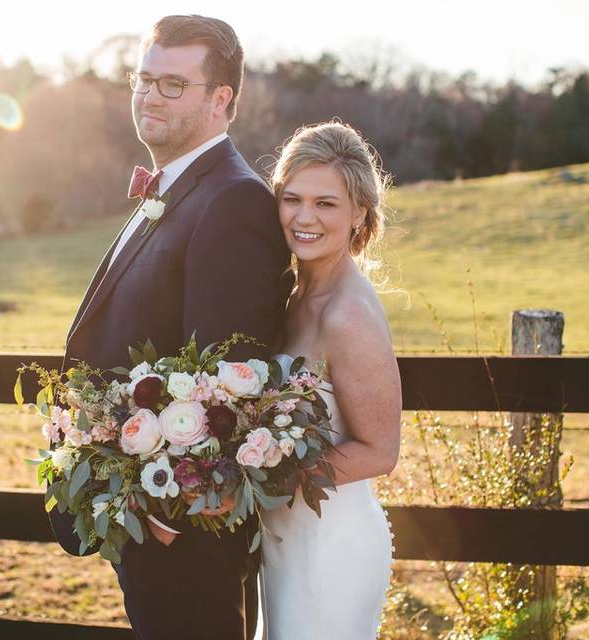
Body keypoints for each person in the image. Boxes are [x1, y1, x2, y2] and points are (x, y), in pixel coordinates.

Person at [51, 14, 291, 640]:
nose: (150, 95)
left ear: (222, 100)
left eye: (173, 85)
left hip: (182, 534)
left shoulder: (233, 201)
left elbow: (229, 377)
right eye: (144, 79)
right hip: (144, 521)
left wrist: (171, 511)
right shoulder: (172, 190)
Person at [259, 121, 402, 639]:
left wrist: (255, 482)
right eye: (291, 199)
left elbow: (379, 451)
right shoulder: (294, 297)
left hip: (328, 545)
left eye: (326, 204)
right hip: (280, 538)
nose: (303, 218)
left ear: (359, 213)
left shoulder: (349, 314)